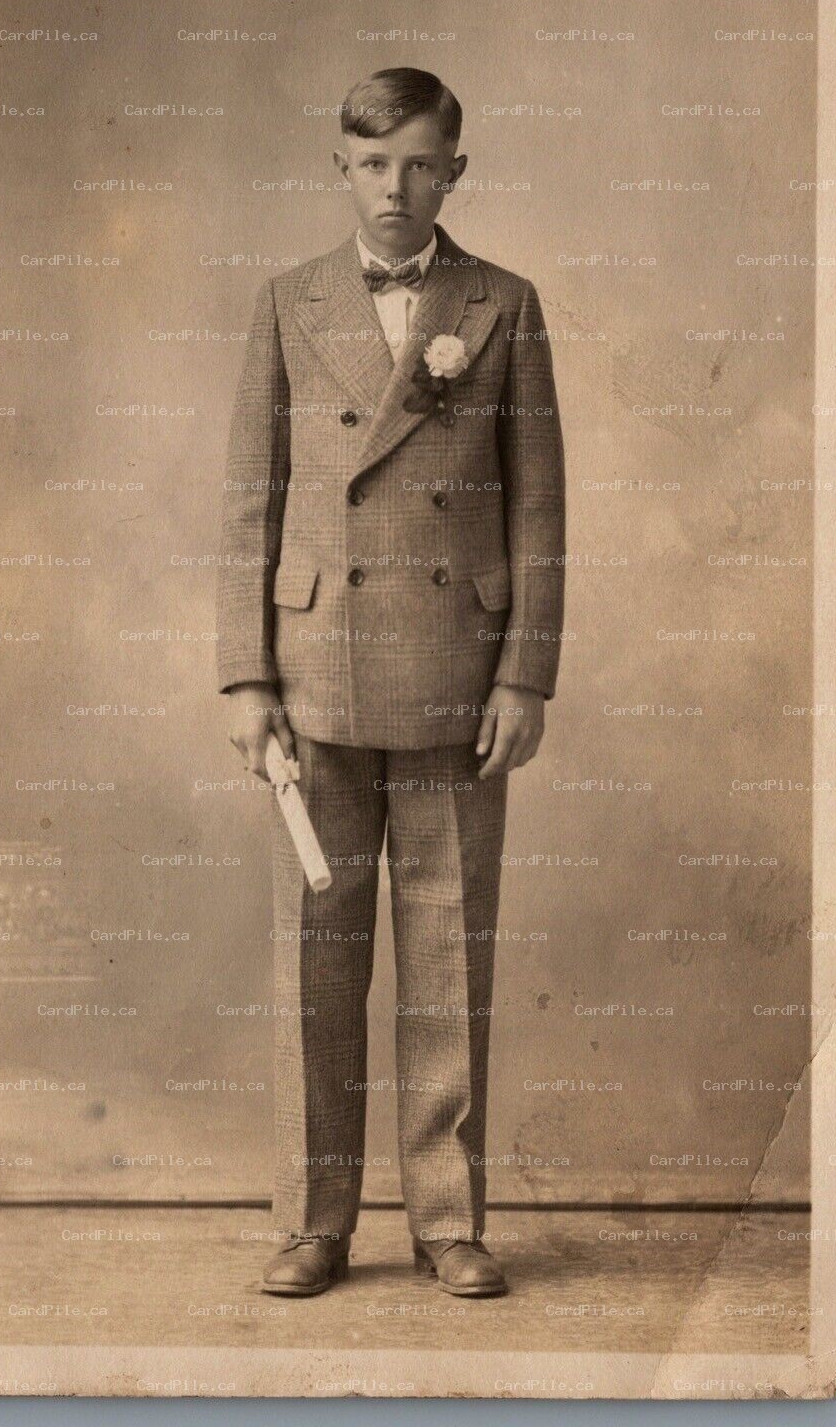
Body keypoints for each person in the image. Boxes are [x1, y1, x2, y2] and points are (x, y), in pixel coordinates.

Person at [217, 67, 565, 1297]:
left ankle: (446, 1220)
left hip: (458, 678)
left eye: (421, 164)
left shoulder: (503, 304)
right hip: (315, 673)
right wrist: (245, 677)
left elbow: (538, 509)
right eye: (373, 164)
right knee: (314, 959)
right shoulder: (287, 302)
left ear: (454, 171)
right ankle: (314, 1219)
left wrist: (524, 675)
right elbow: (248, 502)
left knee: (447, 951)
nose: (396, 188)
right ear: (341, 168)